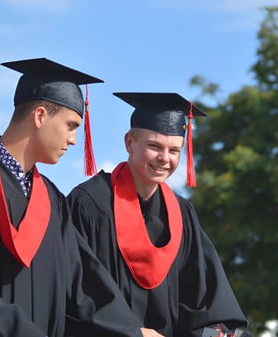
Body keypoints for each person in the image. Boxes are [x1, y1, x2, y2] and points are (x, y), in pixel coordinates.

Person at [0, 58, 148, 337]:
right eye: (70, 125)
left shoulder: (52, 200)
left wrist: (134, 331)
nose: (74, 139)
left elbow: (84, 285)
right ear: (40, 116)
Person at [67, 92, 252, 337]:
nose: (164, 159)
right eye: (154, 146)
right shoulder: (90, 204)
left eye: (174, 150)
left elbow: (204, 300)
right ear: (129, 143)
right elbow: (75, 292)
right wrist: (133, 332)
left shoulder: (181, 213)